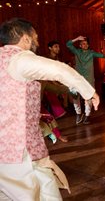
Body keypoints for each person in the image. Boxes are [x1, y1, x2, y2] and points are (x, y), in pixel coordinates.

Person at [0, 18, 99, 200]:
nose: (37, 41)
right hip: (17, 150)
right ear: (25, 38)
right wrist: (89, 92)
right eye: (35, 37)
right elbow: (59, 70)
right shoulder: (20, 59)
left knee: (47, 187)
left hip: (19, 147)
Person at [67, 35, 105, 124]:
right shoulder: (77, 52)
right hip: (78, 79)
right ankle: (78, 114)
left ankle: (87, 115)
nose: (85, 45)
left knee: (88, 97)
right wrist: (77, 38)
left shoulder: (91, 53)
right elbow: (68, 44)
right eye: (83, 43)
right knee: (75, 96)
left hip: (89, 79)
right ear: (80, 45)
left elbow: (101, 55)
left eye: (86, 43)